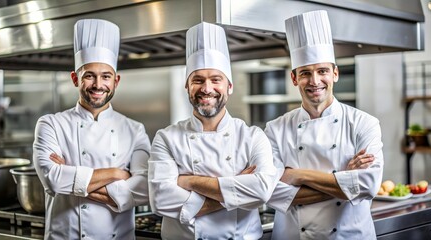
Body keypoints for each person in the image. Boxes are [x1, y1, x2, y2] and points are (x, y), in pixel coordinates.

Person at [148, 22, 279, 240]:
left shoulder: (253, 136)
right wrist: (236, 186)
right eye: (197, 80)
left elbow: (262, 191)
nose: (207, 89)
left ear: (229, 86)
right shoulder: (166, 138)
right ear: (187, 86)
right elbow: (160, 200)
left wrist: (189, 181)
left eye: (215, 80)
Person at [265, 10, 384, 239]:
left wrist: (297, 175)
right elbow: (271, 193)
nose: (315, 81)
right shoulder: (275, 129)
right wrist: (344, 180)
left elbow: (368, 186)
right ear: (293, 78)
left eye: (322, 71)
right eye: (305, 73)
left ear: (335, 74)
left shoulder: (364, 123)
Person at [33, 19, 151, 240]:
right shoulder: (51, 124)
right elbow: (53, 179)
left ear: (116, 81)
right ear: (75, 79)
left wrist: (73, 180)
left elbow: (145, 187)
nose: (98, 85)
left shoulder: (135, 129)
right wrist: (118, 174)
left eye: (106, 76)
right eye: (89, 76)